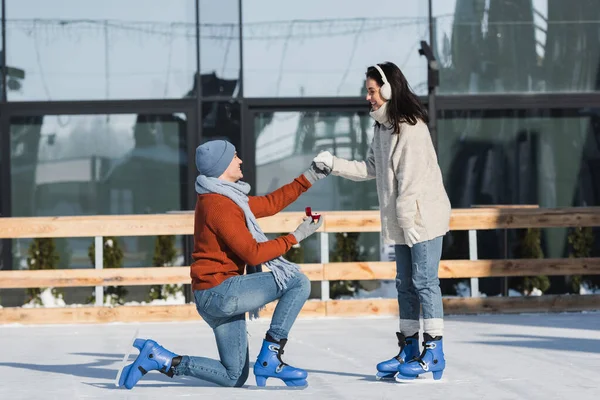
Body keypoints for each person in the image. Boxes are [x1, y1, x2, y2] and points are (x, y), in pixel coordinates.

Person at [118, 139, 330, 389]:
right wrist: (295, 237)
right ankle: (271, 355)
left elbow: (272, 203)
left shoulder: (227, 199)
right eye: (235, 157)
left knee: (234, 376)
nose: (240, 161)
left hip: (212, 294)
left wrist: (311, 176)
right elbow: (252, 254)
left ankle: (162, 360)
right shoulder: (220, 205)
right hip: (220, 292)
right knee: (297, 281)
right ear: (221, 165)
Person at [312, 62, 451, 381]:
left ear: (388, 89)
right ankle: (409, 348)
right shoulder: (382, 128)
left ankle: (434, 352)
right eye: (368, 91)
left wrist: (408, 220)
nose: (368, 97)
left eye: (372, 90)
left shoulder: (411, 126)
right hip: (404, 220)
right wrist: (333, 164)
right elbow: (371, 168)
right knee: (404, 284)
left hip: (422, 217)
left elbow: (412, 180)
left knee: (425, 282)